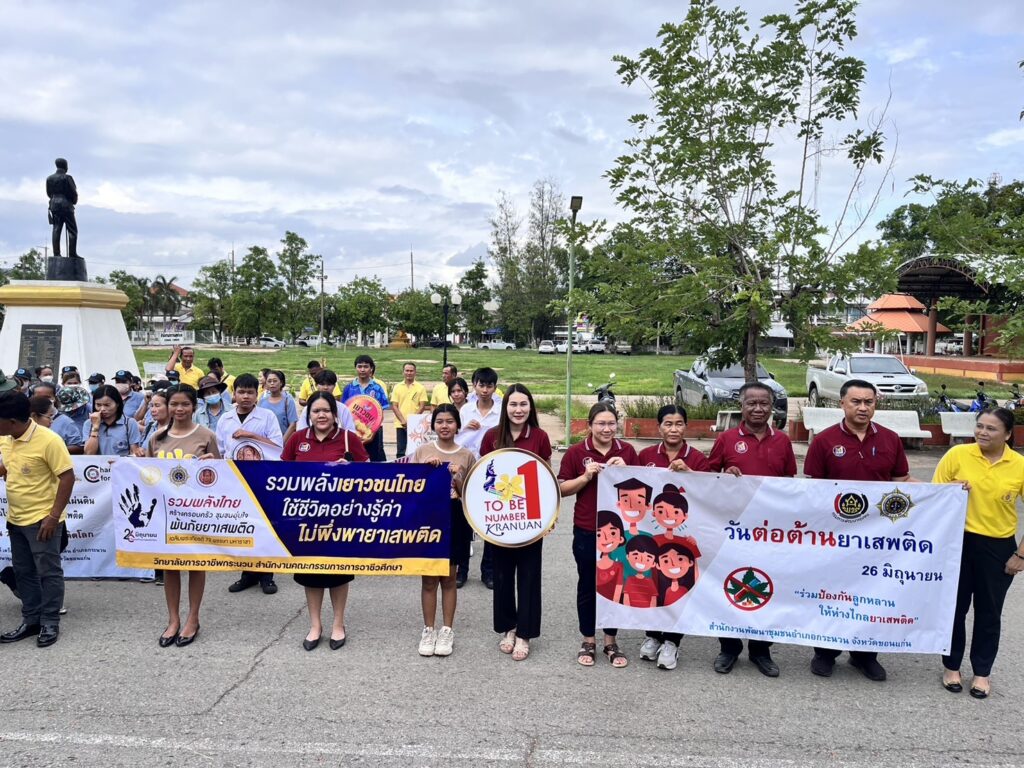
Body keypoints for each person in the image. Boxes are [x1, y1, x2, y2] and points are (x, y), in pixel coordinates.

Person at [803, 379, 911, 682]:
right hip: (835, 535)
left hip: (878, 536)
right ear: (842, 404)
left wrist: (948, 492)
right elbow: (813, 491)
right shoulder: (824, 441)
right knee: (832, 591)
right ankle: (825, 652)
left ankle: (865, 655)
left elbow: (902, 482)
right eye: (856, 401)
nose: (863, 407)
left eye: (869, 402)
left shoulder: (890, 439)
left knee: (872, 592)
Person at [932, 407, 1023, 699]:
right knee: (954, 609)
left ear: (1007, 434)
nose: (982, 432)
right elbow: (931, 498)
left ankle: (982, 672)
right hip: (956, 544)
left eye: (991, 428)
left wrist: (1020, 555)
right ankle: (951, 667)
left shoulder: (1019, 465)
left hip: (998, 547)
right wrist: (950, 489)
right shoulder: (957, 455)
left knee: (989, 612)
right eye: (979, 426)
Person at [707, 382, 795, 678]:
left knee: (766, 587)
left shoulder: (782, 441)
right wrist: (725, 475)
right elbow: (707, 479)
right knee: (730, 586)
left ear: (772, 407)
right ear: (741, 406)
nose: (758, 409)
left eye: (764, 403)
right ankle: (729, 647)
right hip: (733, 529)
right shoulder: (727, 439)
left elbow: (790, 484)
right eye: (751, 403)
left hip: (769, 531)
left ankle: (761, 649)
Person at [281, 392, 368, 650]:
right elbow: (282, 473)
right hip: (306, 519)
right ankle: (315, 625)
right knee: (311, 573)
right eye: (316, 411)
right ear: (309, 415)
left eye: (326, 411)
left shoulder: (349, 439)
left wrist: (350, 471)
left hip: (340, 519)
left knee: (338, 573)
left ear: (335, 414)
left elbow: (370, 474)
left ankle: (338, 624)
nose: (321, 415)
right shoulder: (298, 439)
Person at [558, 402, 639, 668]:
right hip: (586, 528)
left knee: (615, 584)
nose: (606, 429)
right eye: (601, 423)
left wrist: (626, 470)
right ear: (589, 425)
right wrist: (585, 477)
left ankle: (610, 641)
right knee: (588, 584)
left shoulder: (627, 451)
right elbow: (561, 489)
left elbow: (642, 488)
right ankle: (588, 639)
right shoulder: (576, 452)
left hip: (618, 531)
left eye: (611, 423)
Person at [479, 384, 552, 662]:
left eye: (523, 404)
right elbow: (483, 478)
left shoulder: (540, 437)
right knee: (502, 576)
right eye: (513, 404)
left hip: (531, 518)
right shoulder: (491, 436)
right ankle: (508, 628)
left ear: (530, 407)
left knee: (530, 576)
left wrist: (549, 516)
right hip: (500, 518)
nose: (518, 410)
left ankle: (525, 634)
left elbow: (546, 478)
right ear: (505, 407)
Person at [633, 404, 708, 670]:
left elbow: (708, 492)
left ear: (685, 427)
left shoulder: (697, 458)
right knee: (654, 584)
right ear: (659, 427)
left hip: (684, 536)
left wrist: (691, 474)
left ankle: (672, 641)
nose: (673, 429)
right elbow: (637, 489)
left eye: (678, 424)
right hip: (654, 534)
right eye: (668, 424)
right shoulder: (646, 455)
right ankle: (653, 635)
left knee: (679, 586)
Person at [146, 385, 220, 647]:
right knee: (170, 566)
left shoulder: (206, 435)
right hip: (165, 513)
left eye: (185, 404)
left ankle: (193, 618)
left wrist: (211, 464)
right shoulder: (156, 438)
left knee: (196, 564)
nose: (179, 409)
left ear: (194, 406)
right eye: (174, 404)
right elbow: (146, 473)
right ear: (167, 406)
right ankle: (173, 619)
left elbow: (220, 476)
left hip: (196, 512)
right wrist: (123, 466)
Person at [0, 390, 74, 647]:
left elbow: (67, 477)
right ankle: (31, 620)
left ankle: (50, 622)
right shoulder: (6, 438)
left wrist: (53, 517)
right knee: (24, 572)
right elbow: (8, 467)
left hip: (42, 520)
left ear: (12, 421)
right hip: (16, 518)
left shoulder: (49, 440)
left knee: (48, 572)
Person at [409, 404, 474, 657]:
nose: (444, 426)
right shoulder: (422, 451)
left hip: (454, 517)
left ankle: (447, 630)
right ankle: (428, 629)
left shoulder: (467, 455)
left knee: (449, 578)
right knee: (428, 579)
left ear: (457, 425)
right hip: (427, 517)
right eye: (440, 421)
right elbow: (409, 488)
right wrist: (426, 470)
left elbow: (470, 493)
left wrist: (457, 477)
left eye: (449, 421)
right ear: (433, 425)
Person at [218, 374, 284, 595]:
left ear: (257, 394)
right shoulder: (226, 419)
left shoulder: (267, 416)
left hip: (262, 478)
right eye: (241, 392)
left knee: (264, 525)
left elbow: (278, 447)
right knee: (243, 526)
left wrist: (251, 435)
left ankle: (267, 575)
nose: (245, 396)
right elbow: (221, 450)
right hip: (235, 480)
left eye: (250, 392)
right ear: (234, 393)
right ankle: (248, 574)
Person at [458, 367, 501, 589]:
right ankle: (461, 570)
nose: (485, 390)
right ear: (474, 385)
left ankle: (489, 571)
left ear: (495, 387)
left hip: (493, 471)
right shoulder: (466, 410)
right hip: (467, 469)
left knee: (490, 520)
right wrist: (465, 427)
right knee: (464, 522)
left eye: (489, 385)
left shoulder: (501, 411)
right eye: (481, 385)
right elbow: (453, 436)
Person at [341, 354, 390, 462]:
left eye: (366, 366)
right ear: (355, 368)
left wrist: (371, 433)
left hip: (374, 432)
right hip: (353, 432)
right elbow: (344, 411)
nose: (362, 370)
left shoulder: (377, 388)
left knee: (374, 459)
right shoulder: (349, 388)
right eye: (359, 366)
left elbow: (381, 412)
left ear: (371, 368)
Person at [288, 370, 357, 440]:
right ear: (316, 385)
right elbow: (301, 432)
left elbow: (350, 432)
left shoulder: (342, 408)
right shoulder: (308, 409)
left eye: (329, 384)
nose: (325, 387)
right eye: (322, 384)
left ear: (334, 386)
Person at [83, 385, 143, 457]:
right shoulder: (89, 424)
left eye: (107, 405)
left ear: (117, 404)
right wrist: (95, 427)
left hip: (122, 463)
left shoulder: (129, 423)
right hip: (98, 464)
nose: (102, 409)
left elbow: (134, 452)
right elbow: (89, 453)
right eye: (98, 405)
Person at [31, 382, 84, 455]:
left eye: (47, 397)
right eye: (39, 398)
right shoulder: (24, 420)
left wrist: (53, 449)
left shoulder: (66, 422)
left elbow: (78, 447)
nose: (43, 401)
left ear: (55, 398)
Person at [391, 363, 428, 460]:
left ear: (415, 372)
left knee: (415, 450)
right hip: (400, 424)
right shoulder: (397, 387)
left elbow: (422, 406)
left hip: (416, 425)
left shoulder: (420, 388)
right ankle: (400, 468)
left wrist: (412, 421)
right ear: (403, 372)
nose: (409, 373)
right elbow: (394, 406)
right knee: (401, 451)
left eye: (411, 371)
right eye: (407, 370)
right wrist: (403, 421)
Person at [47, 157, 79, 259]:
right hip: (66, 205)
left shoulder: (49, 178)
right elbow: (73, 193)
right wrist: (73, 201)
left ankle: (56, 253)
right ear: (65, 166)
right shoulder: (67, 178)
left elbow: (48, 193)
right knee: (72, 230)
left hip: (54, 205)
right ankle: (72, 253)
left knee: (56, 228)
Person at [258, 369, 299, 436]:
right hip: (265, 439)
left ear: (281, 383)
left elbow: (293, 424)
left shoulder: (288, 399)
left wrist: (282, 440)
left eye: (275, 381)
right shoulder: (262, 399)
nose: (272, 383)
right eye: (269, 381)